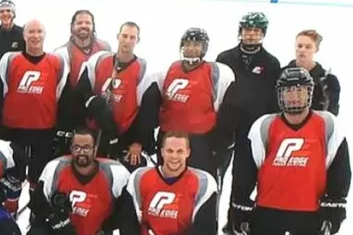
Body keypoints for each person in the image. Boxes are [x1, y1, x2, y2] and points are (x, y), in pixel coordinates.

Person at [228, 67, 351, 235]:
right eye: (288, 91)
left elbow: (341, 168)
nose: (294, 96)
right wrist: (241, 204)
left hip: (311, 212)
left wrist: (336, 202)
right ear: (279, 95)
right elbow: (246, 169)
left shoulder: (327, 124)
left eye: (300, 90)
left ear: (310, 93)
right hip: (269, 209)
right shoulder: (264, 126)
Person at [213, 12, 282, 235]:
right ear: (240, 31)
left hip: (253, 133)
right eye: (247, 29)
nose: (251, 34)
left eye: (256, 30)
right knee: (216, 180)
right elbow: (215, 91)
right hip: (224, 131)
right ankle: (207, 226)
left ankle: (233, 226)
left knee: (243, 182)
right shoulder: (224, 58)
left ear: (263, 33)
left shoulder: (271, 63)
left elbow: (274, 101)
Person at [0, 19, 71, 201]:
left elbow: (63, 98)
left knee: (38, 176)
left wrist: (63, 129)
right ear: (24, 35)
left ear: (45, 35)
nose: (35, 36)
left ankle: (36, 212)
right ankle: (9, 209)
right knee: (12, 174)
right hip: (13, 130)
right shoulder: (9, 59)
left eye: (39, 32)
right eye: (31, 32)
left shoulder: (57, 62)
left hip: (45, 130)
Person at [138, 28, 237, 178]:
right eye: (187, 44)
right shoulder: (166, 71)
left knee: (199, 183)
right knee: (168, 182)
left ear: (204, 48)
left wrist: (221, 143)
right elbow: (150, 106)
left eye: (196, 45)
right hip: (169, 138)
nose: (191, 48)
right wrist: (146, 137)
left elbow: (227, 111)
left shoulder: (217, 73)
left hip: (201, 142)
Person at [73, 21, 153, 168]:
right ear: (118, 36)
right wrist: (93, 103)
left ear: (138, 40)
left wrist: (137, 141)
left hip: (124, 134)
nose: (127, 40)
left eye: (132, 37)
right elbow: (81, 91)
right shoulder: (99, 60)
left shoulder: (143, 69)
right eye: (125, 36)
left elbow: (146, 110)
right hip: (96, 133)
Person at [53, 10, 111, 89]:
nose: (83, 26)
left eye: (87, 23)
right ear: (72, 26)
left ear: (93, 26)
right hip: (73, 97)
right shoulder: (63, 53)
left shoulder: (104, 48)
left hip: (97, 96)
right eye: (79, 23)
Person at [287, 29, 340, 115]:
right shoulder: (281, 74)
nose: (302, 50)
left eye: (308, 47)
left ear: (316, 49)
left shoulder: (327, 80)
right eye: (299, 46)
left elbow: (332, 113)